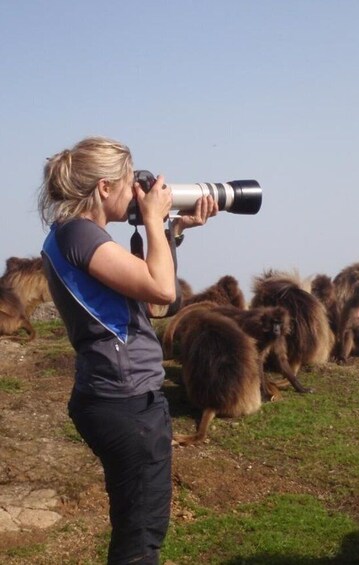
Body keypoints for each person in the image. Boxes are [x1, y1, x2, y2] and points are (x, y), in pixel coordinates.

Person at [37, 136, 218, 564]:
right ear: (104, 188)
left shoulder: (77, 237)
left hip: (122, 398)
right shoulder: (80, 235)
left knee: (137, 528)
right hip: (126, 402)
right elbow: (161, 286)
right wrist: (153, 221)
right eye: (127, 183)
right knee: (140, 540)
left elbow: (158, 303)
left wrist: (171, 231)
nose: (136, 194)